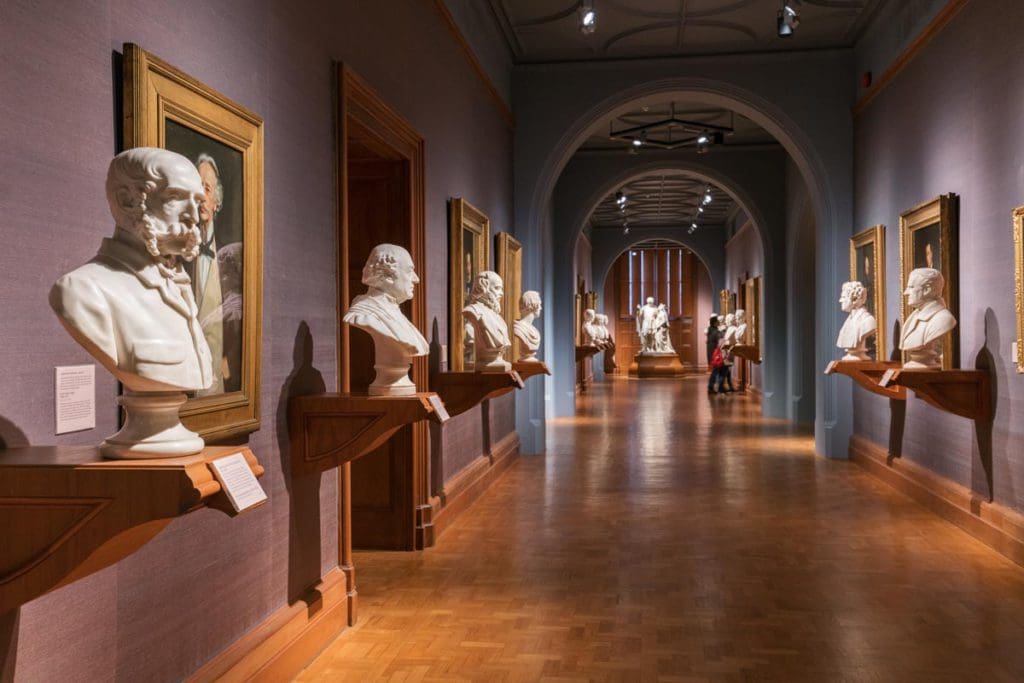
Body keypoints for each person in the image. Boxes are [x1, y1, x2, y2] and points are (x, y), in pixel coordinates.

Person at [50, 147, 213, 392]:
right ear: (126, 201)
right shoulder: (83, 290)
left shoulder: (179, 283)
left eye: (198, 201)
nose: (193, 216)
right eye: (176, 197)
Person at [343, 244, 429, 394]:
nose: (416, 279)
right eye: (409, 271)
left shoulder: (395, 312)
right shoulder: (364, 313)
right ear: (388, 275)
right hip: (386, 386)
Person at [192, 153, 225, 395]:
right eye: (196, 188)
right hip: (186, 380)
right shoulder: (176, 252)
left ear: (216, 201)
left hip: (217, 381)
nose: (200, 196)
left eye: (206, 188)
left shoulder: (230, 254)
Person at [900, 267, 956, 369]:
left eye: (911, 287)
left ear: (927, 290)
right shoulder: (913, 316)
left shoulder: (943, 319)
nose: (906, 293)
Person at [462, 271, 511, 372]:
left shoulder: (496, 315)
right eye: (497, 288)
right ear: (482, 288)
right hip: (486, 363)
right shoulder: (473, 311)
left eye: (501, 289)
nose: (501, 293)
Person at [513, 290, 542, 362]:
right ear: (533, 305)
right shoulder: (518, 328)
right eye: (540, 304)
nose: (541, 308)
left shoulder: (534, 330)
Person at [705, 314, 721, 392]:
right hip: (715, 354)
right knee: (715, 371)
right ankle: (711, 387)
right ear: (715, 323)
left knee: (716, 371)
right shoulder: (715, 332)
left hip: (711, 353)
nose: (719, 322)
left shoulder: (710, 330)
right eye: (718, 321)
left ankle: (713, 387)